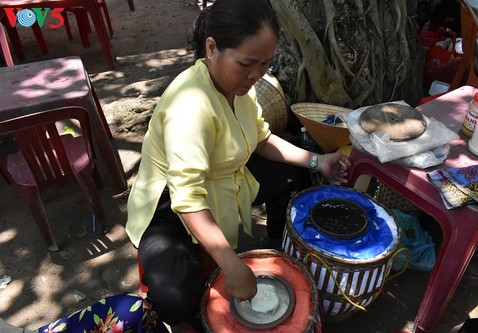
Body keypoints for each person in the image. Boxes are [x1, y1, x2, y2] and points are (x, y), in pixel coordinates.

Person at [125, 0, 351, 331]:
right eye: (247, 63)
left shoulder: (240, 87)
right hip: (170, 206)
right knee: (173, 291)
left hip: (227, 178)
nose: (257, 74)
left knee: (295, 171)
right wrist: (232, 266)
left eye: (266, 63)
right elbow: (187, 199)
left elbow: (261, 138)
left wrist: (318, 160)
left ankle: (277, 251)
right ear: (212, 48)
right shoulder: (189, 106)